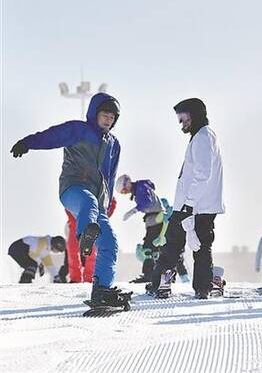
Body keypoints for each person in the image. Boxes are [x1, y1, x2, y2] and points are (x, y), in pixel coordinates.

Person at [10, 92, 128, 307]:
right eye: (105, 114)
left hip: (97, 202)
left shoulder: (114, 143)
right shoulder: (79, 130)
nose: (108, 120)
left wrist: (108, 201)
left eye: (112, 117)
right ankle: (85, 236)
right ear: (95, 113)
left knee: (110, 242)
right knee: (88, 204)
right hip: (73, 189)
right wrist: (27, 143)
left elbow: (110, 175)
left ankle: (101, 290)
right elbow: (52, 136)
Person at [147, 98, 225, 299]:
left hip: (195, 205)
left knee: (176, 243)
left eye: (183, 118)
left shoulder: (203, 137)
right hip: (196, 204)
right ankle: (203, 286)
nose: (181, 123)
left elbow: (202, 174)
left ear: (194, 114)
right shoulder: (202, 136)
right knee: (196, 244)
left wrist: (188, 204)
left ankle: (163, 283)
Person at [116, 174, 169, 283]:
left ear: (127, 184)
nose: (125, 193)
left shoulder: (141, 187)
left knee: (148, 248)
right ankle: (156, 274)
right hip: (153, 220)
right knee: (153, 247)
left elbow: (147, 202)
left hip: (155, 220)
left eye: (124, 190)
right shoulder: (140, 188)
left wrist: (134, 210)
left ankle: (149, 274)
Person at [63, 197, 117, 283]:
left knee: (92, 251)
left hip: (92, 223)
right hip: (74, 223)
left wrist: (103, 216)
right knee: (72, 250)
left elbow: (111, 201)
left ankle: (89, 277)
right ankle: (75, 277)